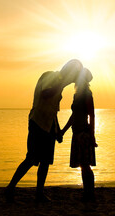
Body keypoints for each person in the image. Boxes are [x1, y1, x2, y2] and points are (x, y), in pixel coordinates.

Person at [5, 59, 83, 202]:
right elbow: (45, 93)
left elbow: (53, 111)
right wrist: (60, 83)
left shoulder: (60, 85)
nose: (72, 82)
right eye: (72, 78)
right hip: (37, 123)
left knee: (45, 162)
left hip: (49, 126)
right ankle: (10, 188)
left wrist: (58, 130)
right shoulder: (51, 76)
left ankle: (39, 194)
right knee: (31, 158)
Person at [60, 68, 97, 202]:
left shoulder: (87, 94)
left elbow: (92, 115)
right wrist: (63, 130)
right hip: (76, 133)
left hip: (84, 133)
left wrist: (92, 135)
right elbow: (74, 115)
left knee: (86, 165)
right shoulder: (77, 95)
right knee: (82, 165)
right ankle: (86, 192)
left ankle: (90, 193)